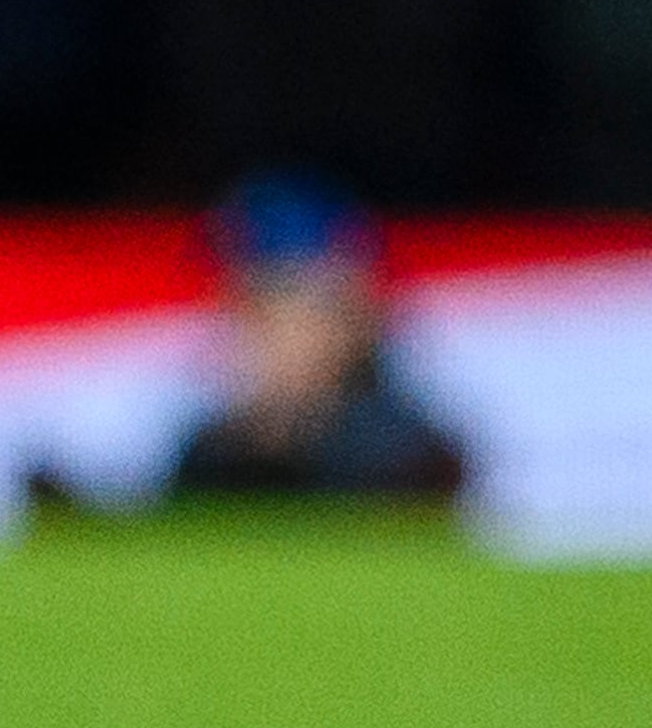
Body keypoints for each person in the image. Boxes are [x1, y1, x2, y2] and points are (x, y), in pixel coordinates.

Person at [160, 180, 473, 507]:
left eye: (273, 308)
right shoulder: (212, 454)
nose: (252, 335)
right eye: (243, 312)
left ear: (354, 315)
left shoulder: (407, 459)